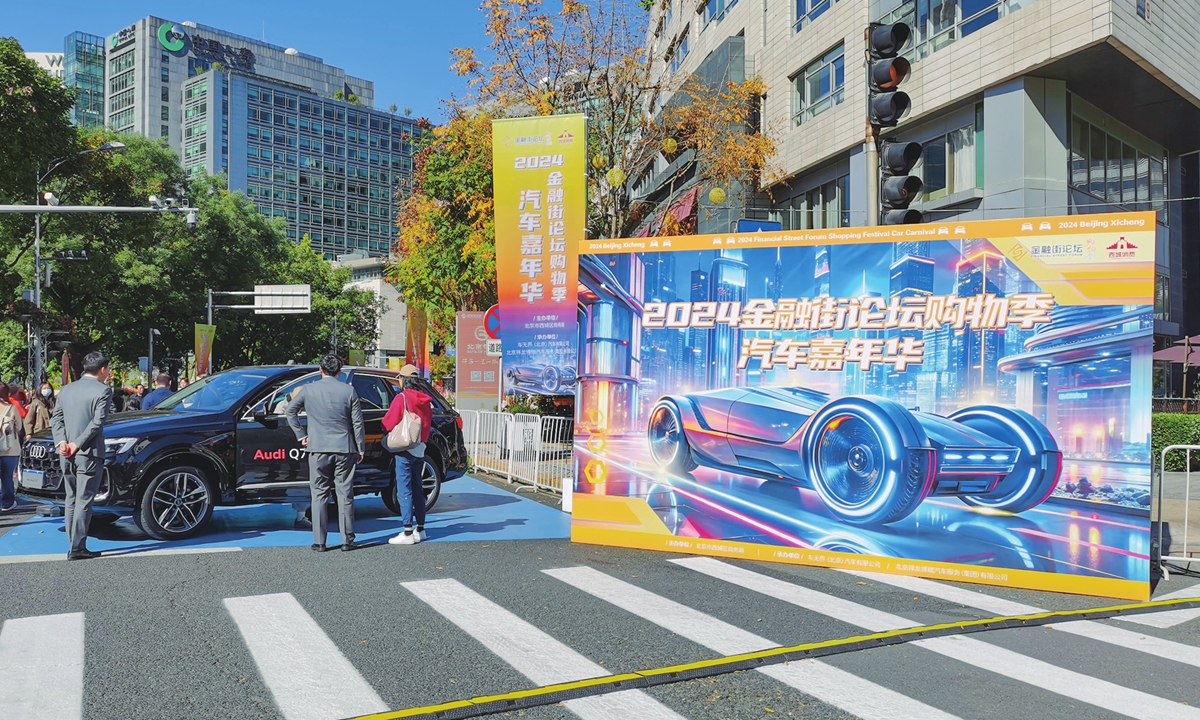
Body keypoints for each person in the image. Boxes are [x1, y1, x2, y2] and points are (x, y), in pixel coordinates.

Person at [285, 354, 365, 552]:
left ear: (320, 369)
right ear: (339, 372)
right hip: (344, 447)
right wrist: (360, 447)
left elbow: (290, 411)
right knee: (344, 494)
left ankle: (320, 541)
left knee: (319, 494)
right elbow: (357, 422)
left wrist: (301, 435)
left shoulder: (308, 389)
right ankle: (347, 540)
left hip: (318, 447)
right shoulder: (349, 390)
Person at [50, 351, 113, 560]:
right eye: (108, 369)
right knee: (84, 499)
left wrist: (62, 442)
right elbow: (97, 423)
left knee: (71, 498)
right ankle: (78, 547)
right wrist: (77, 444)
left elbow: (56, 419)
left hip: (65, 452)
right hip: (89, 452)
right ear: (102, 369)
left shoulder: (66, 389)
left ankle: (72, 543)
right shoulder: (103, 391)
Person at [386, 364, 434, 546]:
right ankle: (420, 529)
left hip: (404, 448)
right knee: (417, 489)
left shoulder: (402, 398)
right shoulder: (426, 400)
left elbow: (389, 422)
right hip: (419, 448)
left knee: (404, 490)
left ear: (403, 379)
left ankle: (407, 531)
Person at [0, 384, 23, 512]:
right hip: (10, 449)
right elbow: (19, 427)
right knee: (7, 478)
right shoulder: (11, 408)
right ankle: (7, 503)